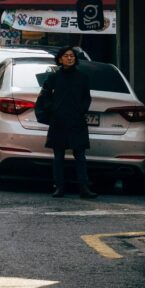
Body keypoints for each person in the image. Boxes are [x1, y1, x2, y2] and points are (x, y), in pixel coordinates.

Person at [36, 46, 96, 197]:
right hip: (59, 121)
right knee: (58, 157)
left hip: (77, 121)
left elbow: (86, 98)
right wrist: (54, 109)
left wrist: (81, 110)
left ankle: (84, 188)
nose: (70, 58)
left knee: (80, 156)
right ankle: (59, 187)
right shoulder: (53, 78)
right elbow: (44, 98)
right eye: (66, 56)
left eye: (72, 56)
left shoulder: (83, 77)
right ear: (60, 59)